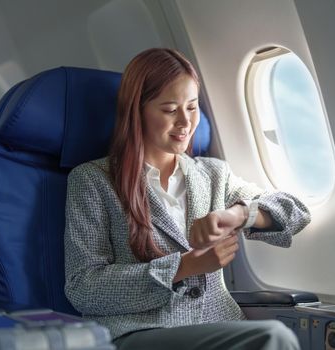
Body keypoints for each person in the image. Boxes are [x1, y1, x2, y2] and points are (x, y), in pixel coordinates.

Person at [64, 48, 311, 350]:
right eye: (169, 110)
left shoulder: (213, 175)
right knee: (273, 338)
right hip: (139, 334)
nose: (185, 122)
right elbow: (84, 287)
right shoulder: (93, 180)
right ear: (136, 110)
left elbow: (296, 211)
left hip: (215, 327)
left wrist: (238, 214)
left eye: (192, 108)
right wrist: (185, 266)